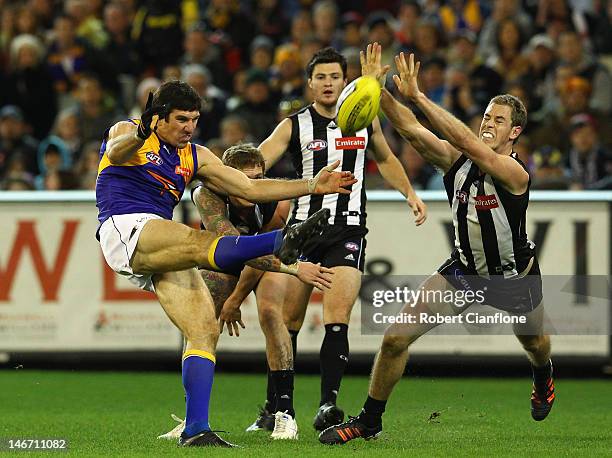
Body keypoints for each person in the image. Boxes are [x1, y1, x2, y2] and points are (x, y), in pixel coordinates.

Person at [95, 80, 356, 447]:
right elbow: (119, 152)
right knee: (199, 240)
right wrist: (142, 130)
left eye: (195, 119)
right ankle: (282, 240)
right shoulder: (130, 130)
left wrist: (312, 186)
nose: (189, 127)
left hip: (161, 242)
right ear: (159, 117)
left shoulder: (196, 155)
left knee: (204, 329)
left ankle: (196, 430)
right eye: (182, 119)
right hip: (124, 226)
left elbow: (248, 189)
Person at [319, 44, 555, 445]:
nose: (487, 124)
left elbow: (467, 141)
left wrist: (419, 96)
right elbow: (410, 129)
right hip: (462, 270)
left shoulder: (514, 172)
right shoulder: (455, 162)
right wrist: (377, 90)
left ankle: (543, 374)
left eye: (498, 120)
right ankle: (369, 422)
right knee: (395, 338)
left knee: (534, 344)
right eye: (486, 116)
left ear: (514, 132)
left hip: (512, 277)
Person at [227, 47, 426, 434]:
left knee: (338, 316)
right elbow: (257, 162)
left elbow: (384, 159)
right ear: (310, 84)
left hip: (348, 230)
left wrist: (410, 194)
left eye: (335, 76)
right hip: (302, 231)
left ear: (345, 80)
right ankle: (276, 408)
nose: (329, 83)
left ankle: (327, 405)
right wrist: (225, 178)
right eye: (321, 77)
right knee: (290, 320)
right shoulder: (294, 125)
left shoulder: (364, 120)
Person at [157, 144, 334, 441]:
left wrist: (237, 298)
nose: (250, 187)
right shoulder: (206, 194)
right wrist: (232, 298)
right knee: (199, 325)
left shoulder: (277, 200)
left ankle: (285, 414)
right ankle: (193, 418)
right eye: (244, 180)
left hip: (269, 261)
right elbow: (234, 246)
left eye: (257, 178)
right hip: (223, 257)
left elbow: (266, 249)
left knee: (270, 313)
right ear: (226, 178)